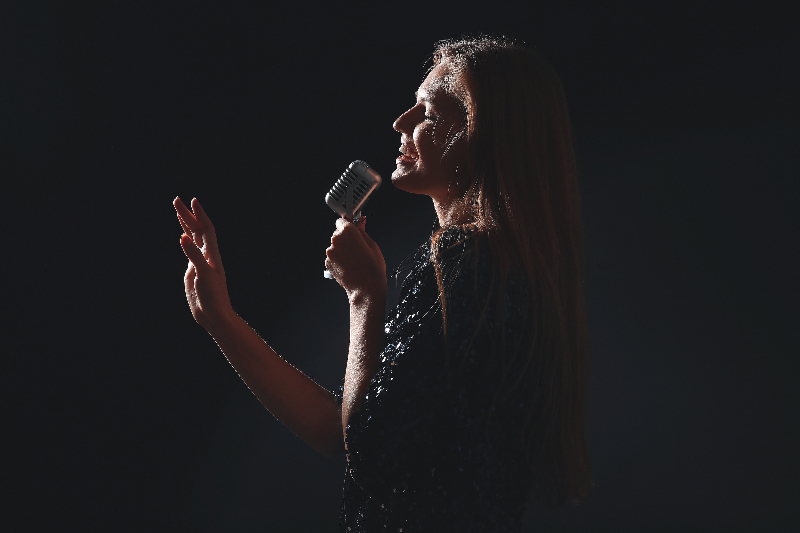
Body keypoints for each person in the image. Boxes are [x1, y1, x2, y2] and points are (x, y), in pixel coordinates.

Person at [174, 35, 591, 532]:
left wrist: (365, 297)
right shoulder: (514, 273)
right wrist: (221, 319)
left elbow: (367, 451)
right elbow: (345, 433)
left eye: (429, 114)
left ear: (486, 138)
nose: (402, 124)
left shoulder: (466, 262)